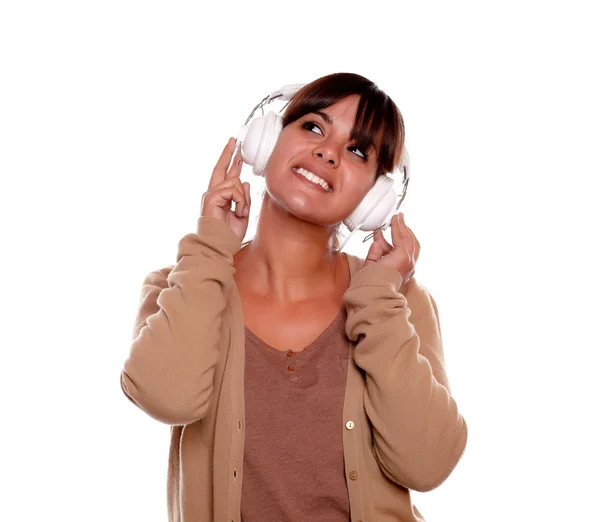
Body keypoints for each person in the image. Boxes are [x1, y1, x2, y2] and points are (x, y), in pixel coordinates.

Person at [120, 72, 468, 522]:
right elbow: (167, 397)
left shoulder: (395, 302)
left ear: (374, 197)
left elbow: (428, 463)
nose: (328, 152)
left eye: (357, 151)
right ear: (267, 141)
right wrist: (210, 250)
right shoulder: (185, 283)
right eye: (314, 127)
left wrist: (378, 302)